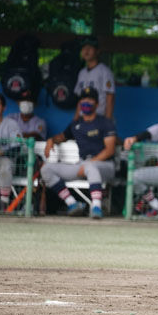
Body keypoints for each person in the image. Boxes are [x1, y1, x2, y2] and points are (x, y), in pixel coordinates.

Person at [40, 87, 116, 219]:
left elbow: (110, 150)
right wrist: (51, 140)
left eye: (90, 100)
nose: (86, 102)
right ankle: (73, 204)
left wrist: (88, 164)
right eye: (83, 100)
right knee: (46, 169)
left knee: (90, 167)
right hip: (82, 165)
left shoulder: (105, 123)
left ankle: (96, 207)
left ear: (97, 104)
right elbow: (62, 137)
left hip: (105, 166)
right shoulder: (76, 124)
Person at [74, 35, 115, 119]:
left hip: (99, 117)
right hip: (83, 118)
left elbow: (110, 98)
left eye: (90, 48)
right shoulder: (81, 72)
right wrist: (76, 119)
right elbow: (80, 99)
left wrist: (107, 121)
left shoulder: (105, 71)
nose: (86, 50)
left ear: (97, 51)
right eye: (84, 48)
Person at [0, 93, 22, 211]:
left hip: (7, 161)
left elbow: (17, 148)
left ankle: (3, 203)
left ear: (4, 107)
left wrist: (2, 153)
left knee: (4, 163)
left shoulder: (11, 124)